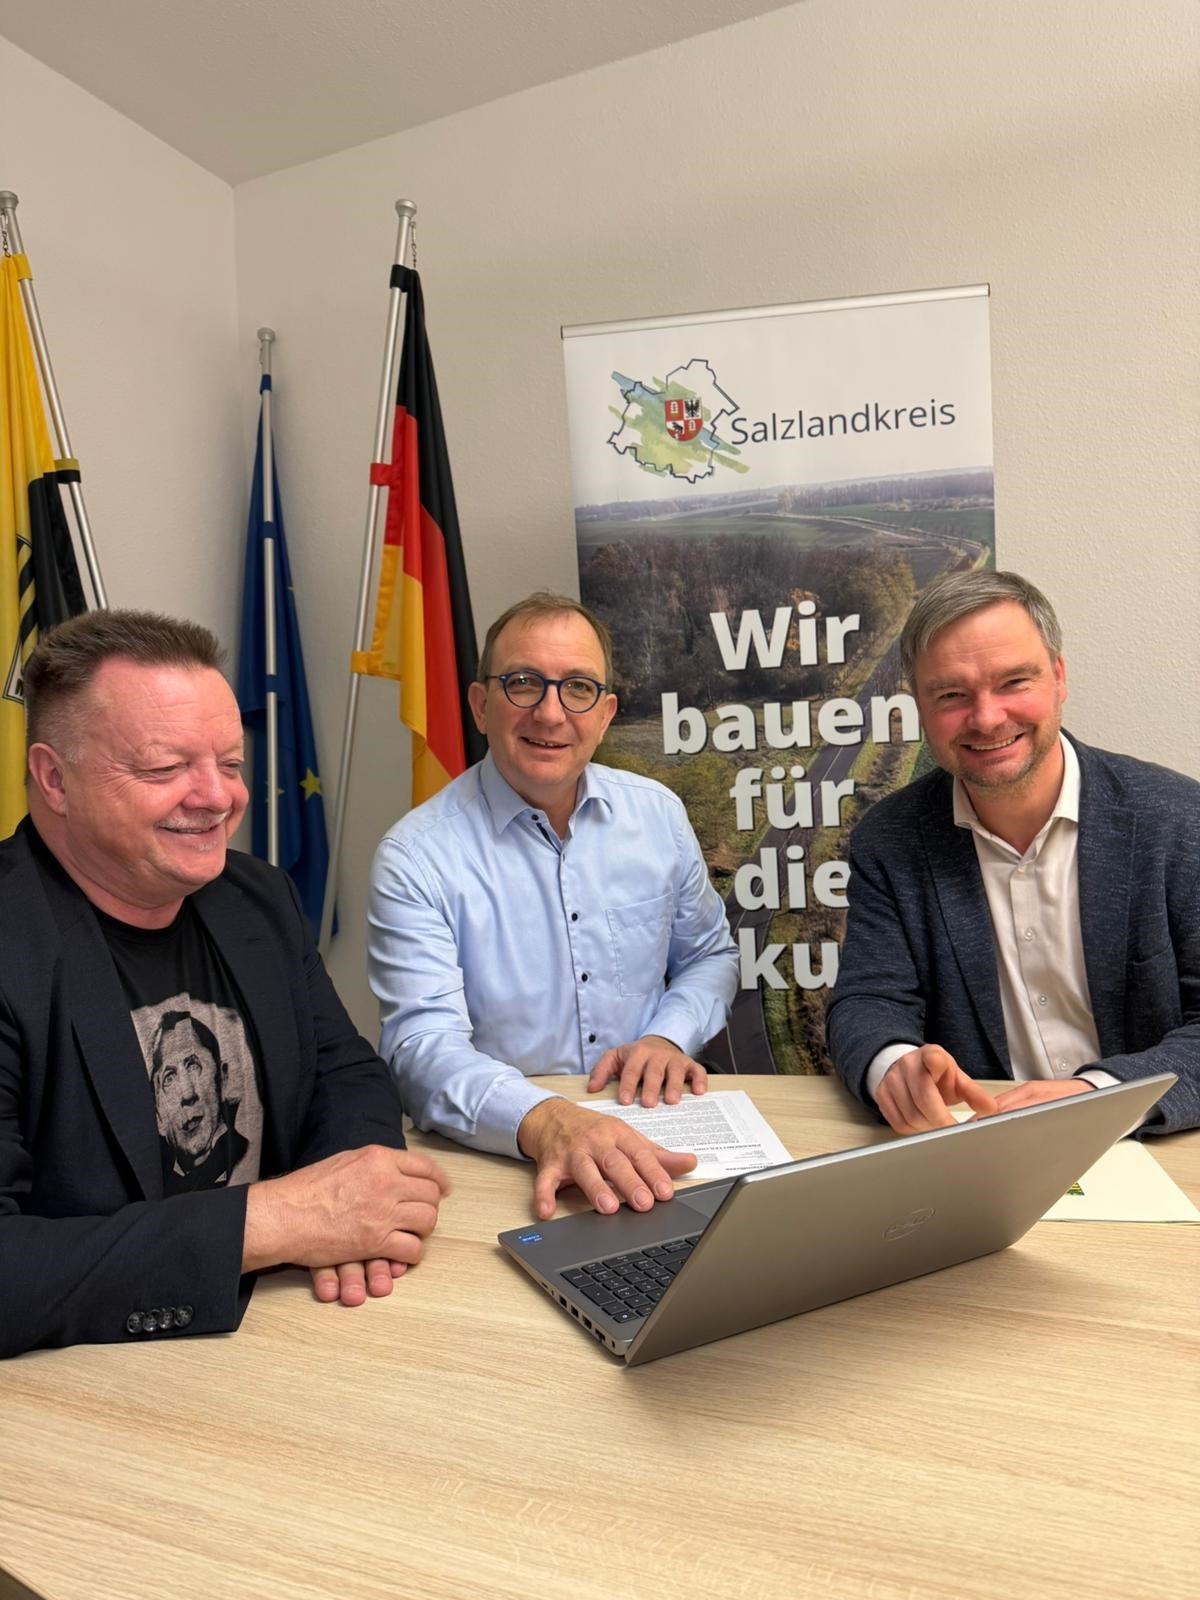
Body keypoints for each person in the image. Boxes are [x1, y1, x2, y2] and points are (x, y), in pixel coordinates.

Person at [0, 610, 449, 1359]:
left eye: (231, 764)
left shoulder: (257, 898)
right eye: (164, 769)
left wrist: (355, 1203)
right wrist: (278, 1222)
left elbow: (345, 1073)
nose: (218, 797)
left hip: (290, 1329)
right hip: (88, 1381)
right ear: (54, 778)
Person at [369, 593, 739, 1220]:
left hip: (655, 1125)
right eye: (523, 683)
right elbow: (421, 1048)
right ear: (480, 705)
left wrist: (666, 1036)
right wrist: (547, 1121)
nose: (550, 712)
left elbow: (710, 956)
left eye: (578, 688)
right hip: (508, 1155)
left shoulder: (658, 817)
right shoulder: (415, 857)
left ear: (605, 713)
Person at [826, 569, 1200, 1138]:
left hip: (1151, 1144)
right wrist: (891, 1063)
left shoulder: (1181, 820)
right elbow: (867, 999)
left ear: (1058, 677)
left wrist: (1097, 1095)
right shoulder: (890, 840)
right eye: (951, 695)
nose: (986, 718)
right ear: (919, 706)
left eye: (1013, 682)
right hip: (983, 1150)